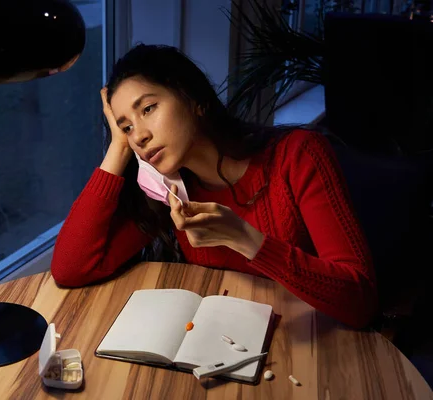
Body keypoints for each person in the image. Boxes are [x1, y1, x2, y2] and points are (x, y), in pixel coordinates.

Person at [50, 44, 377, 329]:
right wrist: (118, 149)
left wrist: (246, 239)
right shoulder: (170, 193)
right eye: (126, 127)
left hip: (307, 347)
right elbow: (70, 269)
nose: (140, 135)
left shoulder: (298, 155)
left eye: (148, 109)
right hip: (226, 345)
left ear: (194, 99)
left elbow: (360, 302)